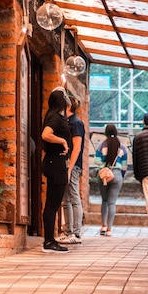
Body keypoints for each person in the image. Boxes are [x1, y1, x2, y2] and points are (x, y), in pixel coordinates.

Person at [40, 87, 72, 253]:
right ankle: (49, 241)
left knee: (52, 203)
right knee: (53, 204)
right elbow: (45, 135)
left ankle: (49, 240)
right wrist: (63, 141)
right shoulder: (54, 117)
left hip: (54, 162)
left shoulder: (54, 115)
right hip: (55, 163)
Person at [57, 96, 85, 245]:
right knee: (65, 199)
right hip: (65, 163)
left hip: (72, 165)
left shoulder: (76, 123)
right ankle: (67, 232)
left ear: (68, 106)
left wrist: (70, 168)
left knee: (73, 197)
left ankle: (76, 232)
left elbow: (77, 148)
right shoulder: (66, 122)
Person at [94, 124, 128, 237]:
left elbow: (96, 161)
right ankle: (109, 229)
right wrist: (120, 176)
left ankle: (103, 225)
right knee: (112, 202)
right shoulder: (122, 147)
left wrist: (104, 166)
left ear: (105, 133)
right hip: (117, 175)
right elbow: (124, 166)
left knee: (104, 201)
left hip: (103, 175)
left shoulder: (101, 146)